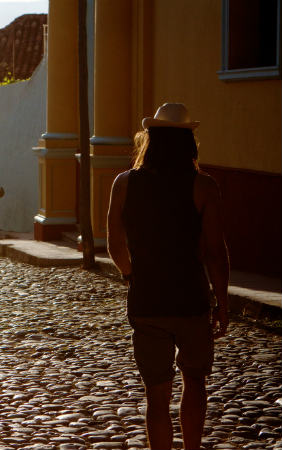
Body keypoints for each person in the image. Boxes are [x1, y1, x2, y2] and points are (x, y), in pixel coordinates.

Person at [107, 103, 229, 450]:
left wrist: (133, 276)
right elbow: (215, 252)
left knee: (156, 394)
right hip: (192, 299)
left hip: (147, 300)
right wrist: (222, 300)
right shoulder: (204, 186)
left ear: (151, 140)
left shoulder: (124, 183)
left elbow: (115, 245)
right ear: (189, 143)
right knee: (195, 382)